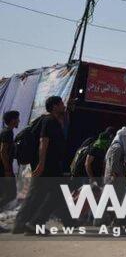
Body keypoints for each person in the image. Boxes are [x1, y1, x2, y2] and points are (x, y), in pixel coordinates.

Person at [13, 96, 73, 234]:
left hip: (47, 164)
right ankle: (35, 223)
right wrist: (41, 163)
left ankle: (22, 224)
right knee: (55, 194)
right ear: (54, 107)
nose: (63, 106)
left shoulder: (50, 120)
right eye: (61, 104)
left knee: (36, 194)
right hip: (47, 165)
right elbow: (43, 142)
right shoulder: (49, 121)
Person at [0, 110, 19, 211]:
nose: (19, 121)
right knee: (10, 194)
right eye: (17, 119)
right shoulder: (7, 132)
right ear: (12, 120)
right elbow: (3, 151)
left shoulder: (7, 131)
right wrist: (7, 170)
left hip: (4, 167)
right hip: (4, 168)